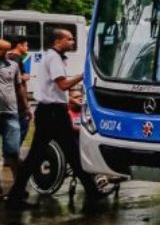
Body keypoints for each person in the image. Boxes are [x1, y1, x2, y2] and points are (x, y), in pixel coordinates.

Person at [7, 28, 103, 207]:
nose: (72, 42)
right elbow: (63, 84)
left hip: (52, 112)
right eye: (69, 39)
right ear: (58, 41)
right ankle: (92, 192)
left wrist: (69, 100)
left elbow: (57, 89)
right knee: (61, 153)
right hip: (52, 114)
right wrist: (85, 74)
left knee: (62, 153)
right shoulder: (53, 58)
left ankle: (92, 192)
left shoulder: (54, 57)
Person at [0, 39, 29, 201]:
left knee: (13, 153)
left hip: (10, 113)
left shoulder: (13, 65)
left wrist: (26, 107)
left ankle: (19, 188)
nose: (5, 53)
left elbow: (19, 88)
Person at [5, 35, 32, 146]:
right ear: (19, 45)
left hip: (8, 99)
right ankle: (13, 155)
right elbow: (17, 80)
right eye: (26, 45)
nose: (27, 48)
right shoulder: (17, 58)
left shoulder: (6, 57)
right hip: (18, 100)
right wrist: (24, 77)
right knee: (22, 127)